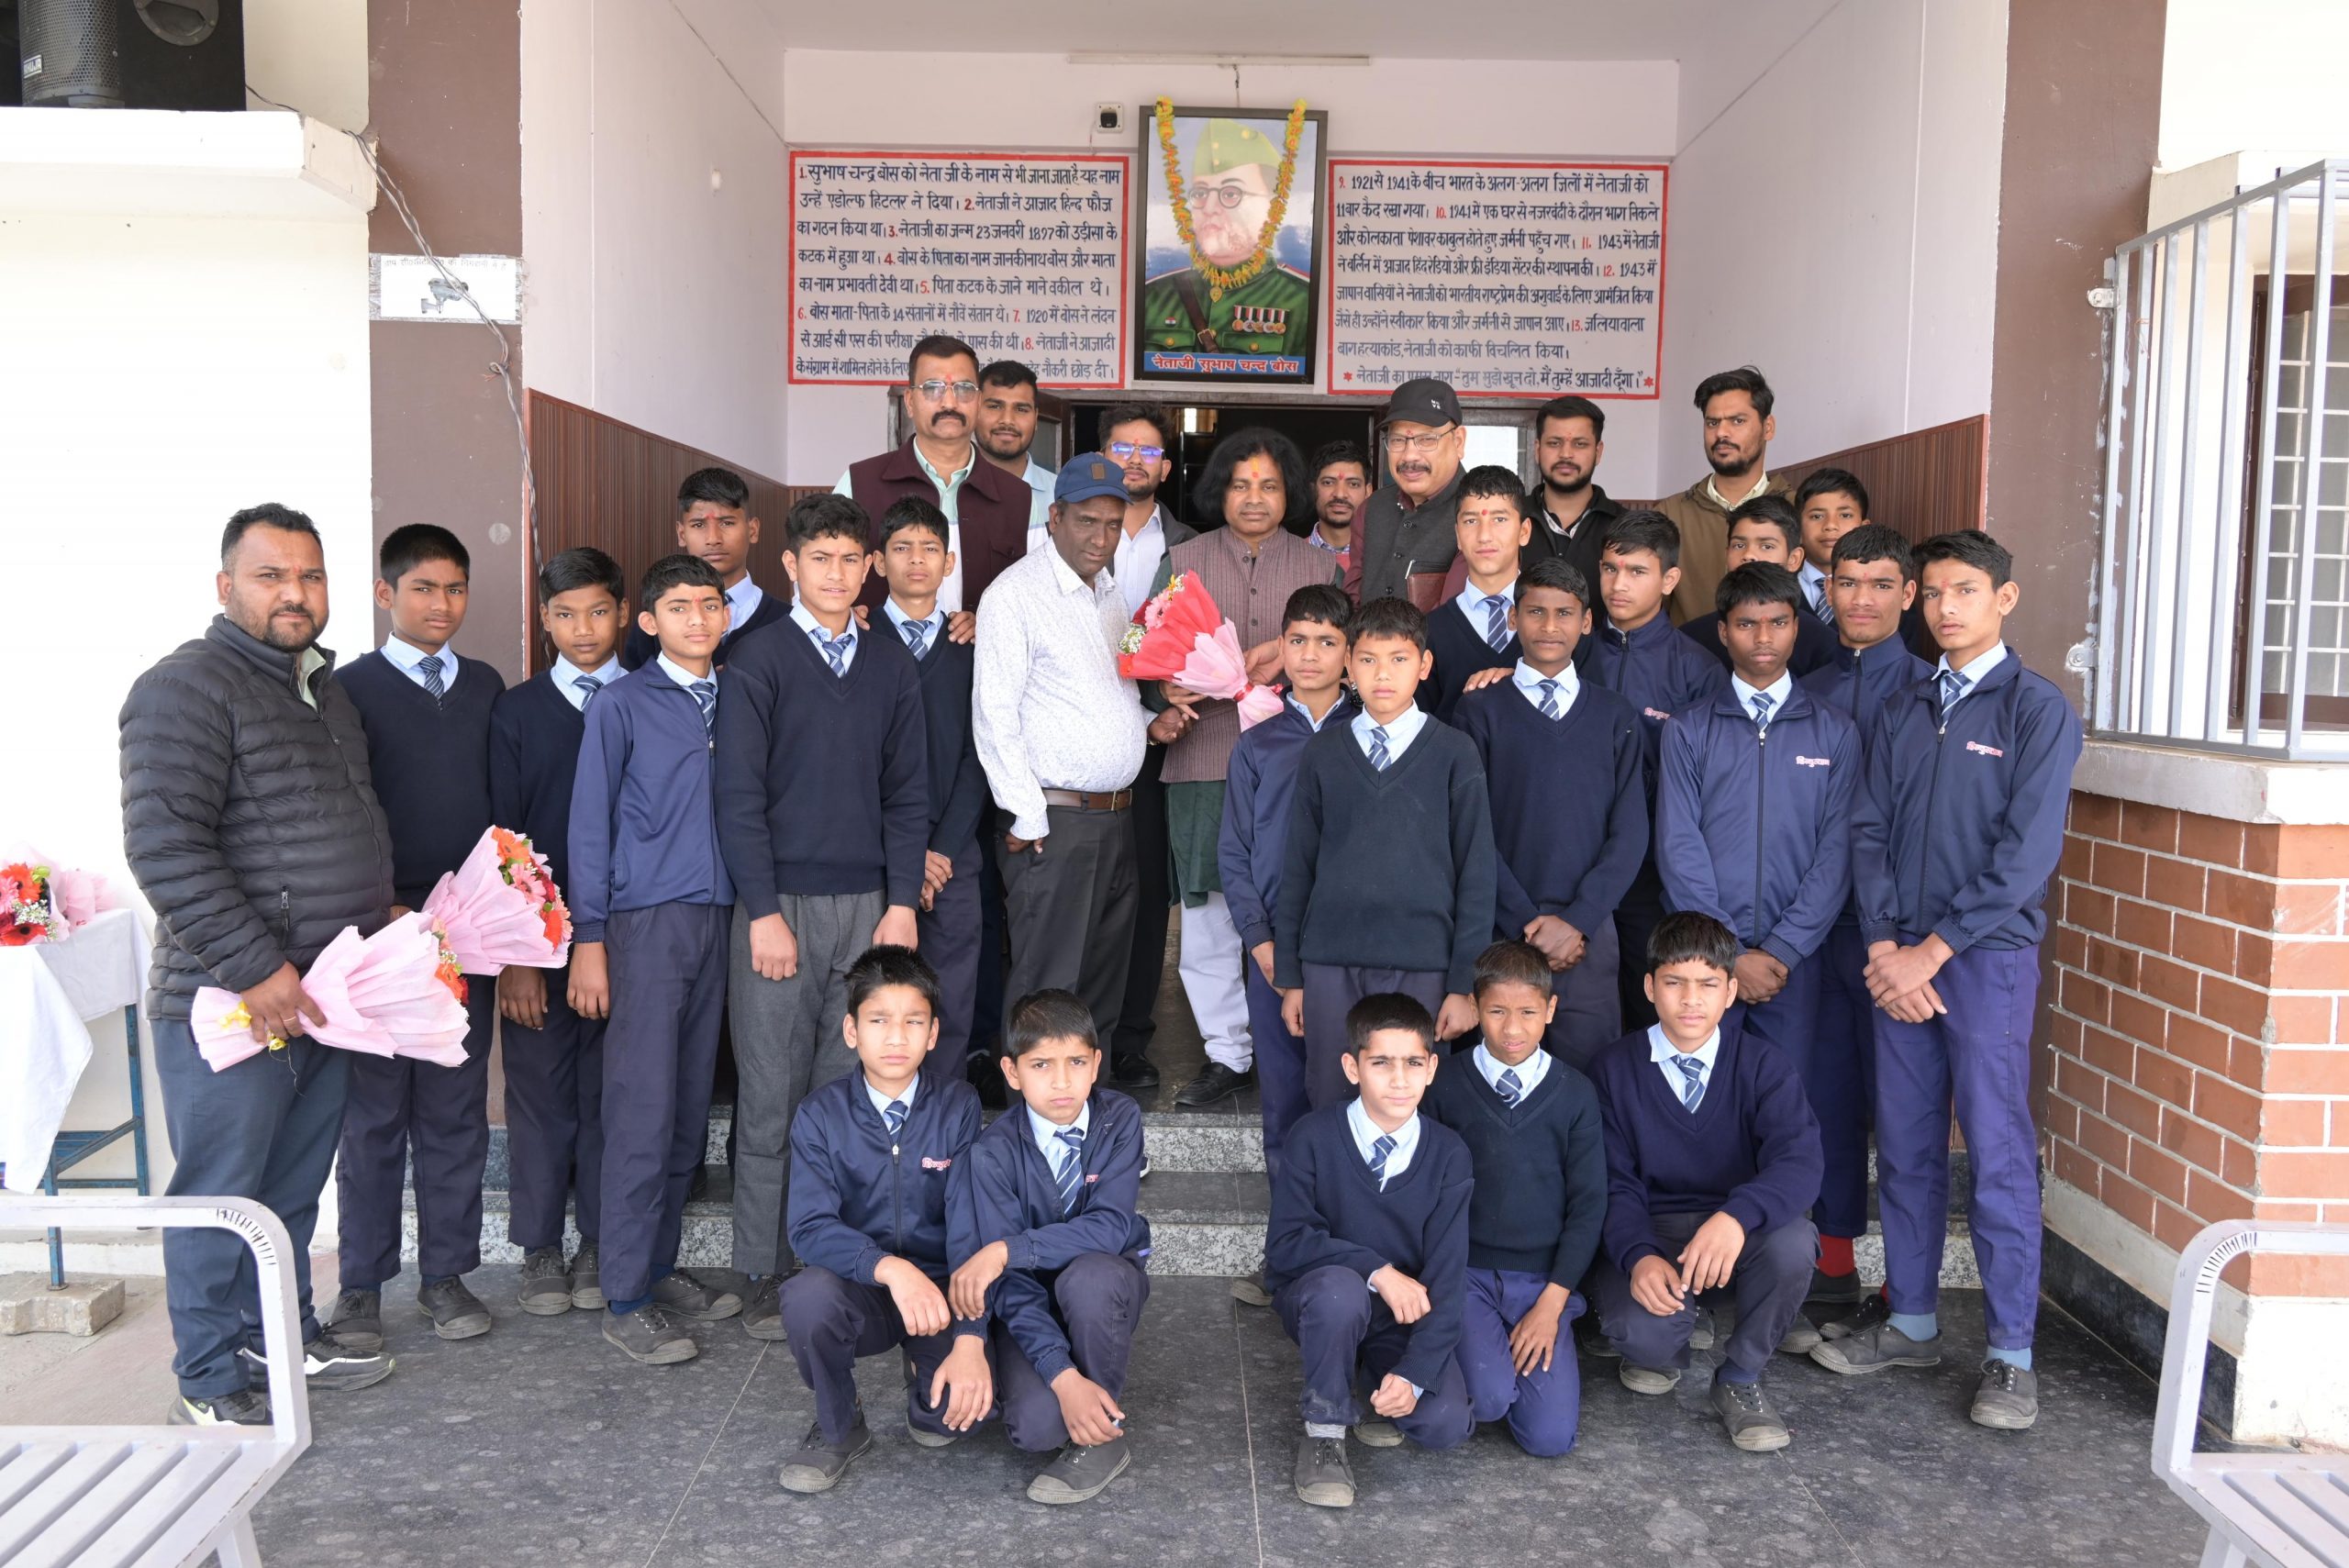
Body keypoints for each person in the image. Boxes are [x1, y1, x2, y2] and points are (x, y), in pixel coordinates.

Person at [121, 503, 396, 1424]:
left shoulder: (320, 688)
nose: (295, 593)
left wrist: (380, 909)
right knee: (219, 1192)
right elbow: (166, 848)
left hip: (323, 994)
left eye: (310, 576)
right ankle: (206, 1377)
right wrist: (254, 967)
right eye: (271, 575)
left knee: (287, 1189)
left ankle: (274, 1334)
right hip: (233, 1001)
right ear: (225, 585)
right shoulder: (185, 687)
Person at [1812, 529, 2084, 1433]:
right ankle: (1913, 1320)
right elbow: (1868, 831)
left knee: (1997, 1152)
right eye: (1931, 593)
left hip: (1983, 961)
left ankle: (2010, 1355)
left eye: (1963, 590)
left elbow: (2025, 856)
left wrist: (1930, 951)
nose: (1944, 608)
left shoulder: (2036, 710)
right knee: (1907, 1143)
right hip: (1900, 961)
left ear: (2003, 598)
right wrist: (1886, 945)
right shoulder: (1906, 705)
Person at [715, 492, 928, 1342]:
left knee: (847, 1100)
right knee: (771, 1093)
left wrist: (902, 903)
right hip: (779, 908)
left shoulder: (890, 665)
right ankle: (761, 1268)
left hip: (868, 907)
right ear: (789, 565)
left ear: (868, 566)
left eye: (849, 559)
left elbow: (907, 795)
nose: (836, 574)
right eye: (819, 559)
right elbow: (738, 798)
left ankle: (832, 1261)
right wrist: (764, 912)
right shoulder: (757, 658)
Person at [1655, 562, 1858, 1357]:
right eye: (1746, 624)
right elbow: (1680, 846)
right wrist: (1730, 957)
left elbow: (1836, 855)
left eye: (1778, 622)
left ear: (1798, 627)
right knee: (1703, 1115)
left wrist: (1781, 949)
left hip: (1793, 968)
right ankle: (1699, 1284)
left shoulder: (1833, 731)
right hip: (1710, 969)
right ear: (1724, 630)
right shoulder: (1690, 729)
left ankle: (1775, 1287)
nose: (1763, 638)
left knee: (1784, 1117)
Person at [327, 523, 506, 1348]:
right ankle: (360, 1286)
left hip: (466, 939)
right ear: (385, 593)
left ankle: (446, 1276)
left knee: (454, 1110)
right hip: (376, 936)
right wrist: (380, 908)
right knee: (371, 1118)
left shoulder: (486, 686)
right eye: (424, 588)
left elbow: (501, 810)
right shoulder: (347, 691)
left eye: (455, 588)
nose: (442, 604)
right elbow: (339, 812)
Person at [569, 552, 742, 1364]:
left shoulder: (739, 697)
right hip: (645, 922)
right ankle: (625, 1294)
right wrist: (589, 937)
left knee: (685, 1104)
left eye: (709, 603)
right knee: (641, 1104)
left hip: (721, 916)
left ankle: (658, 1265)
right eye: (679, 606)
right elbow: (590, 824)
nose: (697, 618)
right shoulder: (622, 703)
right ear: (648, 622)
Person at [1152, 427, 1341, 1110]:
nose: (1254, 498)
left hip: (1300, 765)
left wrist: (1283, 656)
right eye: (1239, 484)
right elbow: (1143, 645)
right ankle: (1227, 1053)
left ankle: (1302, 1035)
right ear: (1219, 491)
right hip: (1203, 758)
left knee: (1300, 897)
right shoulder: (1183, 561)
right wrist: (1163, 688)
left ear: (1289, 494)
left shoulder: (1319, 566)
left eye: (1268, 485)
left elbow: (1342, 650)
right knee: (1208, 913)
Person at [1586, 913, 1823, 1453]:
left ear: (1730, 992)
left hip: (1734, 1235)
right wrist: (1637, 1255)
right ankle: (1674, 1323)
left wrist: (1737, 1216)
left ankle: (1740, 1375)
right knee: (1645, 1341)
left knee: (1793, 1242)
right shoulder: (1612, 1070)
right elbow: (1610, 1180)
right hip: (1653, 1232)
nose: (1691, 1000)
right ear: (1650, 987)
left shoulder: (1763, 1065)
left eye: (1708, 984)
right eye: (1675, 982)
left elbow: (1800, 1161)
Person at [974, 456, 1176, 1068]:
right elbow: (994, 714)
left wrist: (1149, 724)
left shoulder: (1109, 593)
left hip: (1116, 818)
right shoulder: (1015, 595)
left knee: (1100, 985)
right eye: (1087, 521)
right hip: (1054, 824)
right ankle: (1033, 1117)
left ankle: (1090, 1110)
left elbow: (1109, 694)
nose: (1101, 537)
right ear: (1055, 517)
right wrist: (1027, 814)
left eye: (1113, 524)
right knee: (1048, 987)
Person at [777, 946, 993, 1493]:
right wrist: (891, 1269)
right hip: (864, 1287)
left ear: (933, 1033)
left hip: (940, 1295)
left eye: (913, 1022)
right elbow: (809, 1227)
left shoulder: (959, 1105)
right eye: (878, 1021)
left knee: (955, 1419)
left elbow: (971, 1221)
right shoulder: (820, 1114)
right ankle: (839, 1424)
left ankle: (922, 1369)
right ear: (851, 1031)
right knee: (806, 1299)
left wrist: (970, 1334)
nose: (896, 1037)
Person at [1274, 597, 1497, 1106]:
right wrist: (1292, 977)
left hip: (1424, 963)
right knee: (1332, 1092)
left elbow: (1477, 873)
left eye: (1399, 659)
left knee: (1412, 1099)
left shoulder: (1454, 752)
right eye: (1369, 659)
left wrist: (1463, 984)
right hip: (1330, 961)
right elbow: (1298, 866)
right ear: (1349, 665)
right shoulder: (1323, 752)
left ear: (1425, 665)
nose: (1383, 674)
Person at [1797, 523, 1932, 1319]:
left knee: (1906, 1115)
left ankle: (1907, 1290)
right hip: (1815, 933)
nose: (1862, 599)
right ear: (1828, 588)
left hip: (1897, 939)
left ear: (1908, 594)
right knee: (1825, 1099)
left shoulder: (1928, 692)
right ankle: (1833, 1264)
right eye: (1847, 582)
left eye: (1881, 584)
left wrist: (1901, 938)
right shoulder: (1804, 688)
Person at [1267, 993, 1475, 1508]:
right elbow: (1287, 1243)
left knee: (1445, 1423)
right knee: (1341, 1293)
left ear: (1431, 1069)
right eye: (1381, 1063)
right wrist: (1377, 1270)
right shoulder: (1313, 1136)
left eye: (1413, 1063)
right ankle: (1324, 1433)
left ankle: (1367, 1369)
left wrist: (1414, 1373)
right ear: (1352, 1068)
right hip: (1322, 1299)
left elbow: (1448, 1276)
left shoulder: (1448, 1153)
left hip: (1399, 1316)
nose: (1399, 1079)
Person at [947, 989, 1151, 1505]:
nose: (1062, 1082)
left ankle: (1102, 1437)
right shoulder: (992, 1153)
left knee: (1091, 1278)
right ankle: (1063, 1380)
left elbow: (1109, 1228)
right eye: (1041, 1065)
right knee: (1037, 1429)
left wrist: (1005, 1250)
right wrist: (1061, 1377)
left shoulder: (1119, 1118)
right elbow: (1011, 1284)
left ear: (1096, 1064)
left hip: (1102, 1286)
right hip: (1030, 1301)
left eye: (1076, 1063)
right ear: (1012, 1072)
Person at [489, 547, 625, 1317]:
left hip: (625, 936)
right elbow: (503, 839)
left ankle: (602, 1240)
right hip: (536, 942)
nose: (584, 628)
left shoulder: (648, 698)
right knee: (539, 1091)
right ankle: (541, 1245)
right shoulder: (517, 712)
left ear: (624, 612)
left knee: (611, 1091)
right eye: (566, 614)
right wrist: (518, 956)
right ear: (544, 619)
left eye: (599, 611)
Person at [1453, 560, 1645, 1068]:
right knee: (1498, 1075)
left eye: (1565, 613)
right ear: (1512, 618)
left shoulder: (1615, 715)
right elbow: (1470, 832)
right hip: (1502, 930)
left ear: (1587, 622)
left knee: (1591, 1078)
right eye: (1536, 612)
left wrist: (1578, 921)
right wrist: (1526, 922)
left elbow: (1630, 833)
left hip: (1589, 935)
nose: (1550, 626)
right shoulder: (1479, 711)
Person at [1423, 940, 1607, 1457]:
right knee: (1488, 1399)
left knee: (1550, 1439)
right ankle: (1452, 1357)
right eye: (1497, 1011)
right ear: (1474, 1008)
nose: (1512, 1029)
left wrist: (1553, 1302)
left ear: (1551, 1009)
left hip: (1542, 1283)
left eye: (1528, 1012)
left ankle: (1528, 1342)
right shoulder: (1444, 1085)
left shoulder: (1575, 1093)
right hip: (1467, 1274)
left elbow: (1589, 1204)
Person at [1220, 585, 1356, 1192]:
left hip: (1351, 947)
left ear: (1350, 652)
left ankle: (1348, 1227)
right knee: (1283, 1094)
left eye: (1327, 642)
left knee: (1348, 1089)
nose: (1310, 655)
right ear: (1280, 646)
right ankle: (1292, 1231)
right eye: (1298, 640)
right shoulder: (1258, 744)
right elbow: (1234, 851)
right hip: (1276, 946)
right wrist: (1259, 940)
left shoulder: (1371, 735)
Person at [1585, 510, 1726, 1029]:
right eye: (1609, 568)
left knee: (1648, 1003)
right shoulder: (1572, 654)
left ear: (1669, 580)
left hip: (1653, 870)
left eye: (1637, 571)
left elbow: (1710, 789)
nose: (1618, 584)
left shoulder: (1698, 670)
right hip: (1578, 863)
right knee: (1578, 1011)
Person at [873, 498, 988, 1095]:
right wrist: (906, 853)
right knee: (877, 999)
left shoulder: (972, 646)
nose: (916, 560)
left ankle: (942, 1127)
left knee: (951, 999)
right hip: (874, 855)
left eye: (929, 549)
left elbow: (980, 755)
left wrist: (938, 850)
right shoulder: (858, 639)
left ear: (949, 562)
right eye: (901, 548)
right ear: (877, 562)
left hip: (954, 858)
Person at [1098, 404, 1195, 1091]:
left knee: (1146, 894)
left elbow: (1195, 645)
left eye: (1151, 451)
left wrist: (1161, 709)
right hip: (1080, 746)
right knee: (1084, 896)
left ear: (1165, 468)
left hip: (1162, 745)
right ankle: (1079, 1039)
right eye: (1123, 447)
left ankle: (1131, 1039)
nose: (1136, 459)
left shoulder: (1190, 546)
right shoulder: (1066, 534)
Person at [839, 334, 1033, 618]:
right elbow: (820, 573)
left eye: (964, 388)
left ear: (979, 401)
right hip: (879, 646)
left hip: (982, 648)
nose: (950, 402)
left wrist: (987, 626)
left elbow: (1035, 596)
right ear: (910, 401)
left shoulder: (1019, 496)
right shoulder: (859, 483)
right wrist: (842, 617)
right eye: (933, 388)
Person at [1139, 117, 1313, 361]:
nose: (1209, 207)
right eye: (1200, 192)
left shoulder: (1301, 300)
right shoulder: (1154, 297)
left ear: (1270, 204)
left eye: (1230, 193)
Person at [1657, 366, 1798, 624]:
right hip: (1689, 650)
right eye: (1713, 422)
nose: (1721, 433)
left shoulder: (1798, 510)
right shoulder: (1669, 514)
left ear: (1768, 427)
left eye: (1737, 421)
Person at [621, 466, 786, 669]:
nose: (713, 539)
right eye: (698, 525)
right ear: (682, 534)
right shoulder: (656, 623)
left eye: (727, 523)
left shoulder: (787, 621)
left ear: (752, 530)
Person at [1676, 495, 1838, 678]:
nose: (1749, 555)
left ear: (1794, 559)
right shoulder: (1689, 639)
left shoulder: (1823, 644)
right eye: (1739, 545)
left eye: (1767, 546)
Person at [1420, 465, 1528, 724]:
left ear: (1524, 532)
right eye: (1471, 521)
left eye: (1499, 519)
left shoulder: (1553, 622)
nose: (1484, 535)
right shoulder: (1430, 630)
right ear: (1458, 535)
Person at [1357, 378, 1470, 604]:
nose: (1409, 456)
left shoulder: (1477, 514)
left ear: (1458, 442)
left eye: (1426, 439)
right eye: (1398, 440)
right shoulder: (1372, 507)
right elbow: (1353, 597)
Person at [1527, 395, 1625, 614]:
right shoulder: (1510, 522)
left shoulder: (1624, 527)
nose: (1566, 454)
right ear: (1537, 449)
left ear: (1598, 452)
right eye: (1554, 443)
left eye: (1580, 444)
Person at [974, 359, 1056, 553]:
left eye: (1021, 409)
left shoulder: (1061, 495)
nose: (1007, 420)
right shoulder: (949, 490)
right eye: (995, 406)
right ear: (974, 410)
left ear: (1036, 418)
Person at [1306, 439, 1371, 599]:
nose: (1340, 494)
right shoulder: (1288, 556)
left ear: (1368, 492)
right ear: (1313, 490)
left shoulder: (1384, 557)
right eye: (1328, 482)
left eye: (1353, 484)